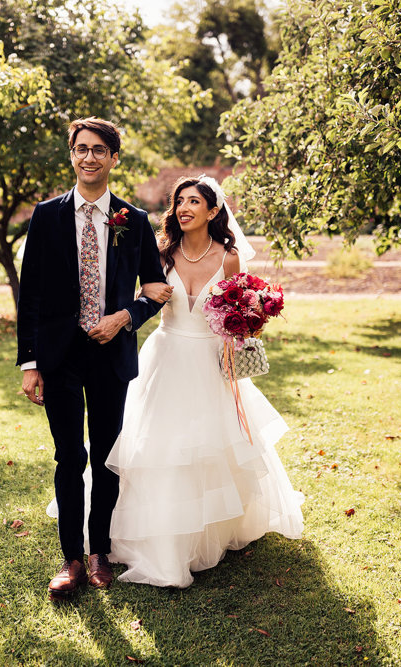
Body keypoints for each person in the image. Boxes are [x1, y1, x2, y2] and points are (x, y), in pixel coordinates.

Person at [105, 175, 305, 588]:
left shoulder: (229, 257)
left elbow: (243, 311)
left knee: (206, 450)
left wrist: (248, 322)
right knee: (161, 447)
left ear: (213, 211)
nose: (184, 208)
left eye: (194, 201)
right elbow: (137, 298)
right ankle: (159, 536)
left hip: (210, 365)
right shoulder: (162, 254)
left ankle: (206, 530)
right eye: (179, 201)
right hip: (166, 357)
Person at [15, 117, 172, 600]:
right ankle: (71, 560)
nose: (89, 157)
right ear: (72, 155)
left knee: (106, 457)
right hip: (59, 356)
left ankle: (100, 549)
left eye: (99, 150)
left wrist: (124, 316)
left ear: (113, 158)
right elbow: (32, 294)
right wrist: (30, 363)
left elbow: (156, 291)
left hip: (110, 355)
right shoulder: (46, 216)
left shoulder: (133, 220)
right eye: (81, 149)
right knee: (69, 456)